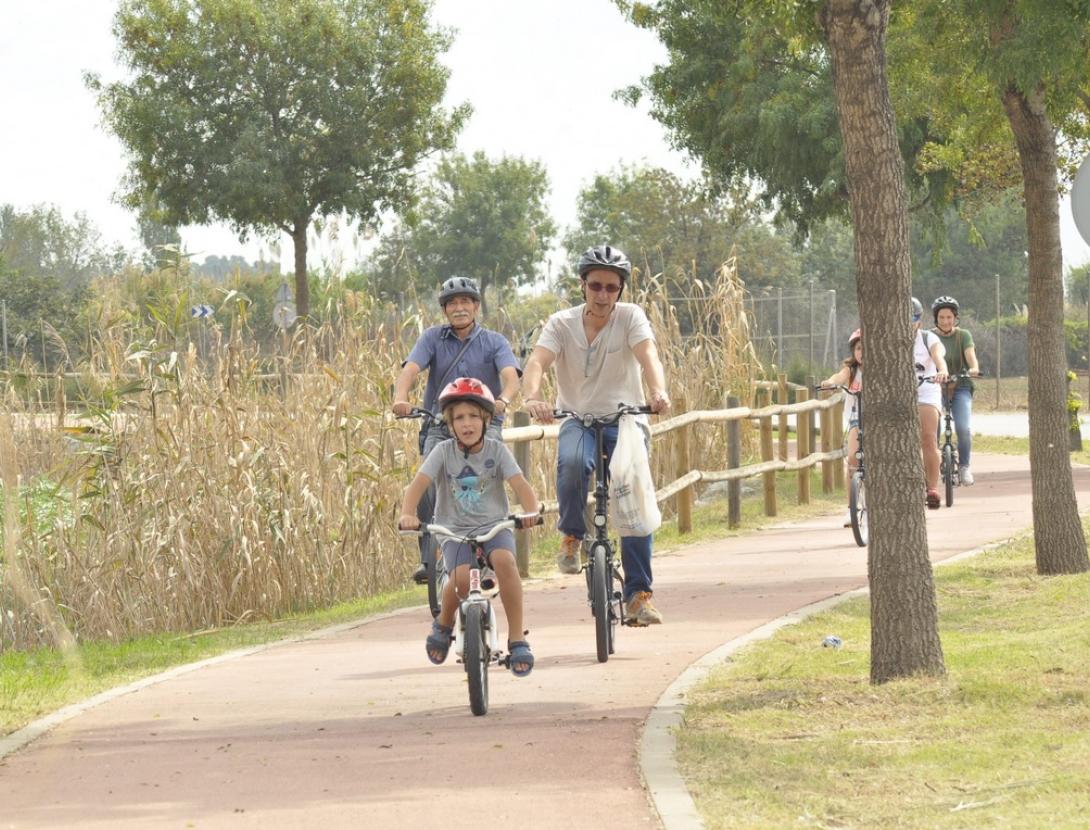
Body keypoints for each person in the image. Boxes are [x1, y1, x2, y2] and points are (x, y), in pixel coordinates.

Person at [521, 244, 671, 626]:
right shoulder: (561, 323)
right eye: (596, 286)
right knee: (572, 464)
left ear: (620, 290)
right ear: (582, 285)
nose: (603, 295)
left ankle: (638, 596)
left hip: (625, 419)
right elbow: (537, 361)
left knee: (631, 496)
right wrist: (533, 397)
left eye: (611, 288)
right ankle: (572, 535)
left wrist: (657, 392)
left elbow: (648, 356)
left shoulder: (631, 317)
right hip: (578, 416)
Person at [398, 377, 541, 676]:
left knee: (505, 561)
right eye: (459, 418)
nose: (467, 424)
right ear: (449, 424)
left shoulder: (497, 451)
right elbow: (419, 484)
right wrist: (409, 513)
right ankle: (444, 622)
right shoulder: (443, 452)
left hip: (494, 525)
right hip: (454, 529)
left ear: (486, 419)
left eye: (474, 416)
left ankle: (517, 639)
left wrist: (531, 510)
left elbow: (520, 484)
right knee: (462, 579)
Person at [392, 277, 521, 584]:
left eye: (466, 302)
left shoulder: (494, 342)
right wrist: (400, 398)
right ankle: (431, 556)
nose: (459, 308)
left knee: (486, 480)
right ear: (444, 309)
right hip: (441, 423)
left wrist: (503, 399)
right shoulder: (432, 338)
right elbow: (410, 369)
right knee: (429, 480)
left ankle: (487, 553)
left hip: (484, 425)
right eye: (452, 303)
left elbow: (510, 376)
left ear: (476, 307)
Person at [930, 295, 982, 486]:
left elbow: (970, 355)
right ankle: (932, 466)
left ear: (955, 318)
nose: (945, 321)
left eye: (949, 317)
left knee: (963, 428)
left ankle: (964, 466)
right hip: (934, 388)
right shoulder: (929, 336)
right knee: (931, 430)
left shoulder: (963, 335)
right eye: (942, 317)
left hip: (960, 386)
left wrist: (973, 368)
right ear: (936, 318)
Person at [820, 329, 863, 527]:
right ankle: (852, 509)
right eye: (859, 348)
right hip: (857, 417)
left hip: (878, 420)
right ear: (853, 351)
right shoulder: (852, 370)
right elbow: (839, 376)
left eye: (866, 349)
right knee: (853, 458)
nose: (862, 352)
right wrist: (830, 383)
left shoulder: (882, 370)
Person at [912, 297, 949, 508]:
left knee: (928, 438)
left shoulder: (928, 339)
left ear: (919, 320)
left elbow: (938, 356)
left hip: (926, 390)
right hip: (899, 393)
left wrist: (942, 371)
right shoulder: (888, 339)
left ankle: (932, 489)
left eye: (913, 319)